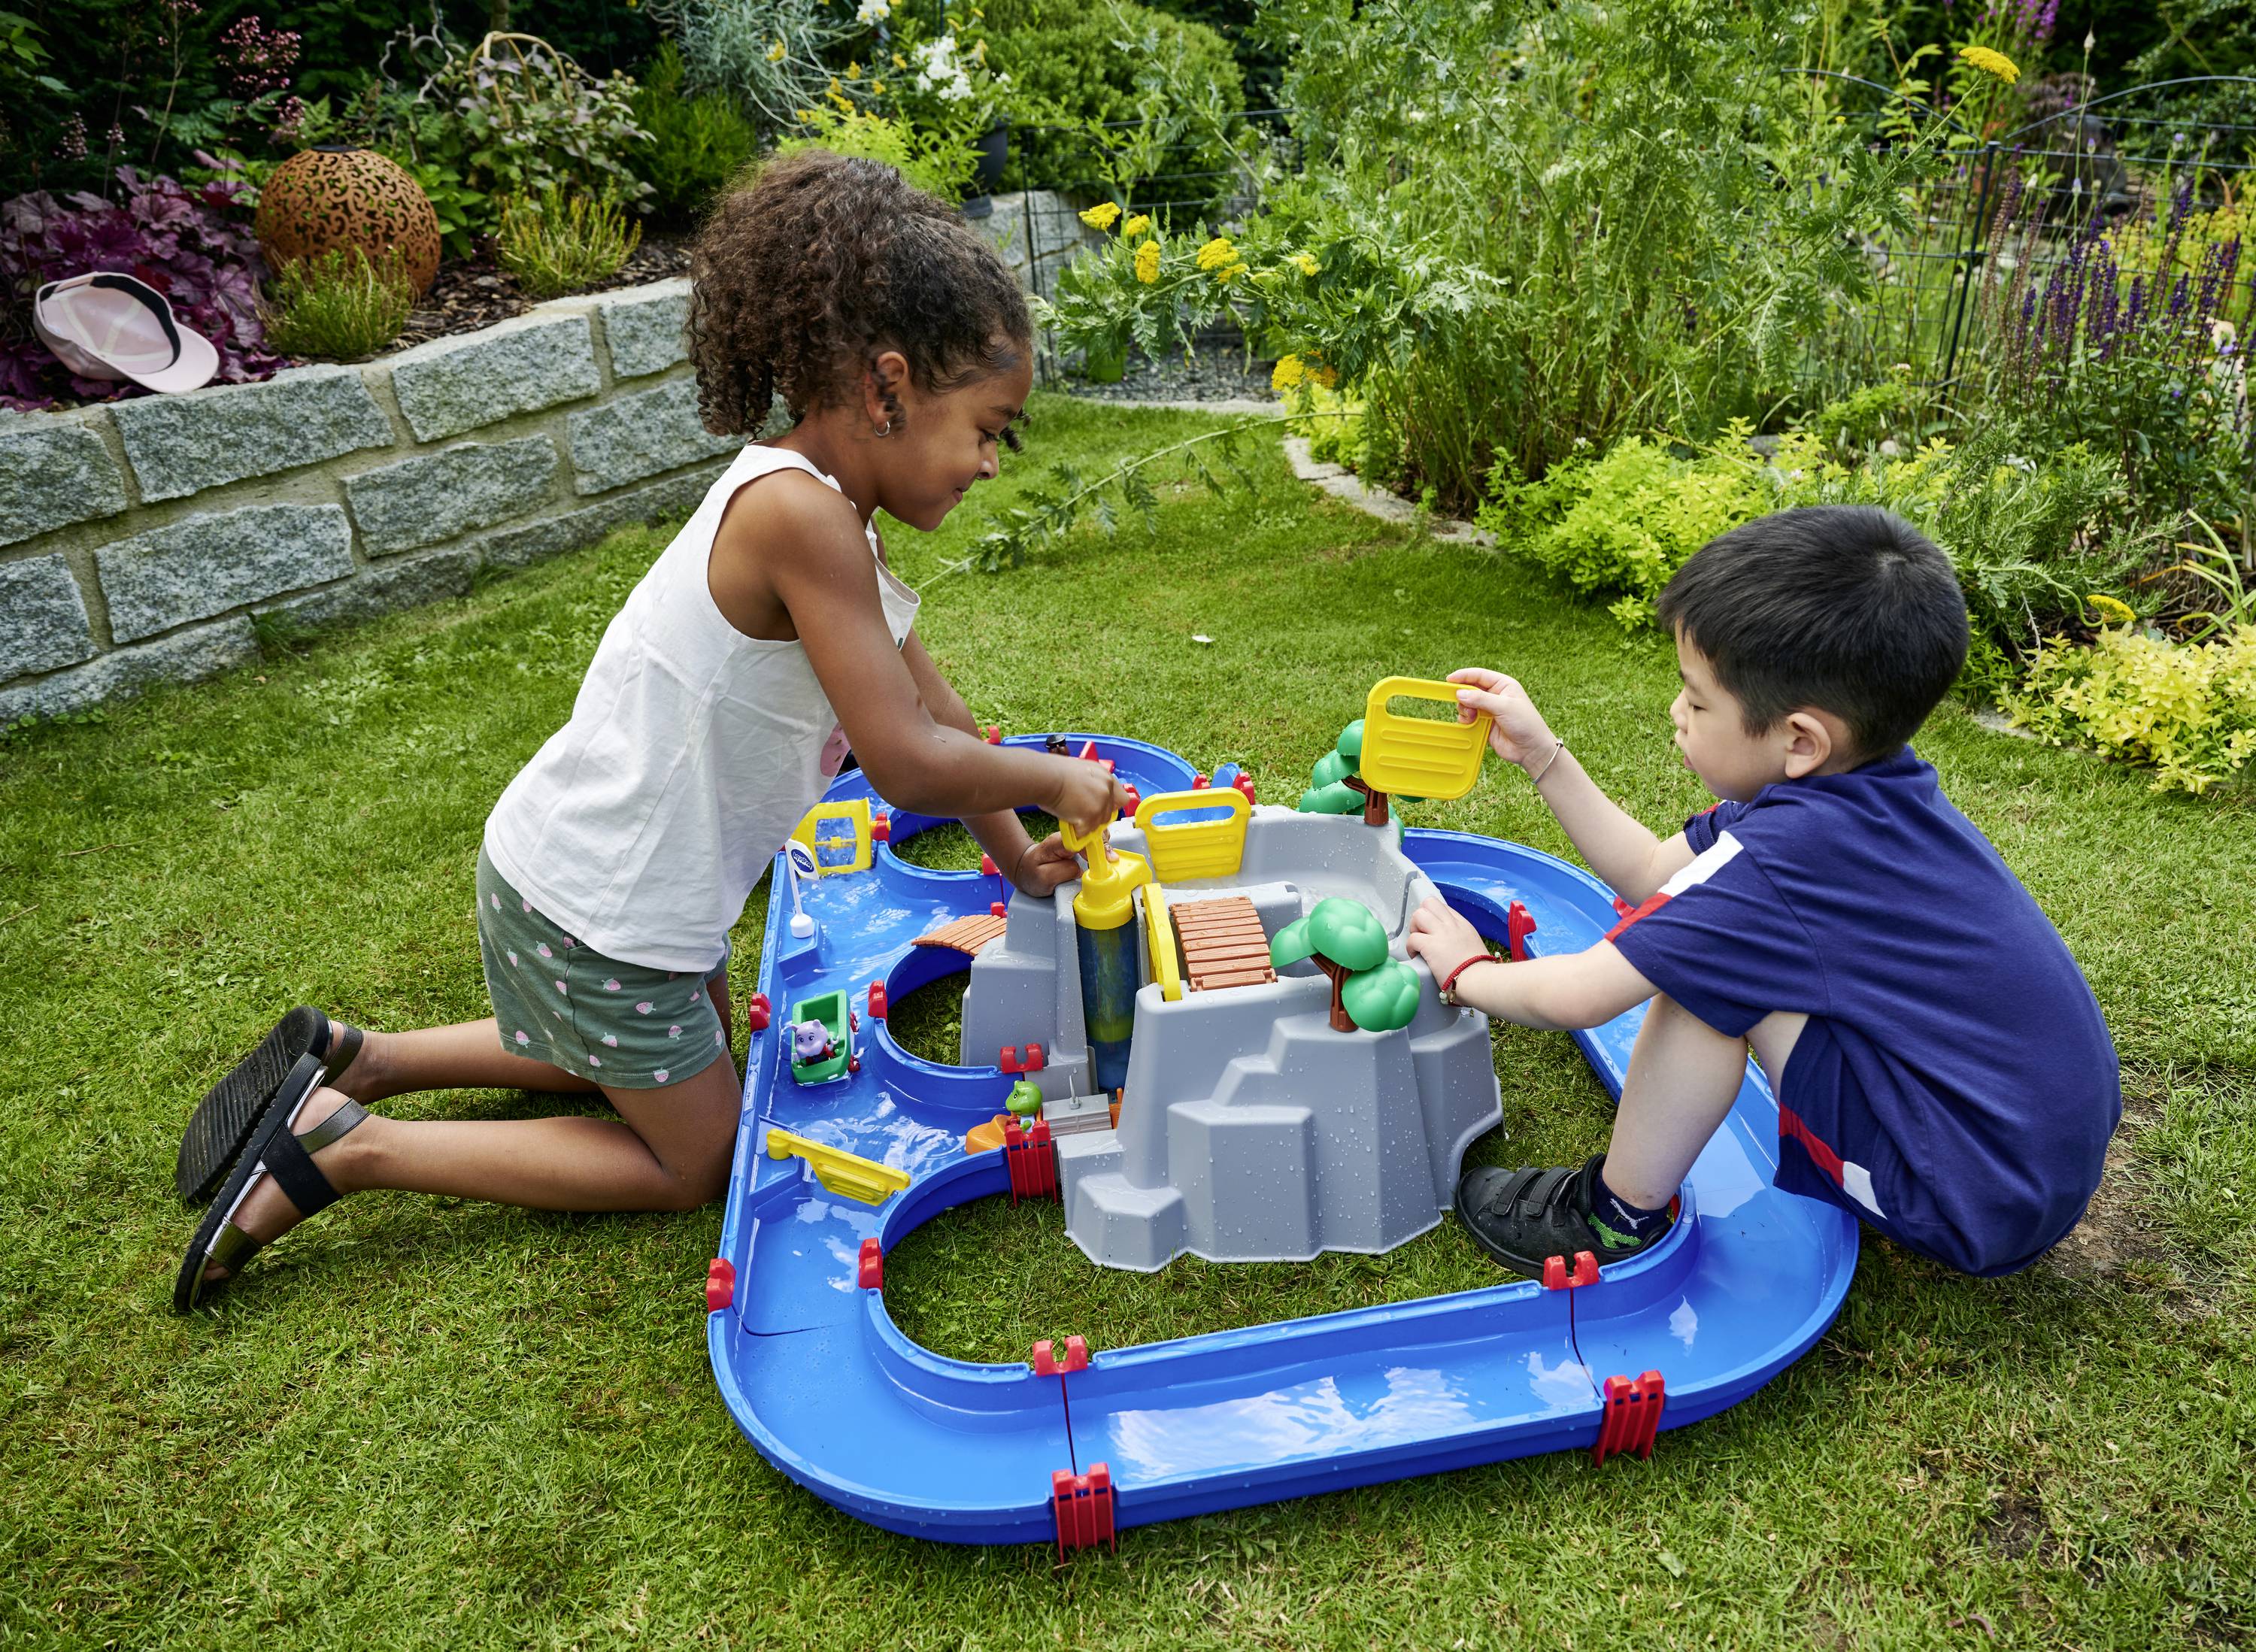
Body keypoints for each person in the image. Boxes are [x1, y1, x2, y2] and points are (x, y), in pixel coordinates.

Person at [171, 150, 1124, 1312]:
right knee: (694, 1155)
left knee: (647, 1056)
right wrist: (1056, 784)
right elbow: (905, 757)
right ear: (887, 388)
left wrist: (1020, 857)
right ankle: (347, 1145)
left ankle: (364, 1052)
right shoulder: (803, 523)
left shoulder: (824, 515)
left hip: (586, 892)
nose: (987, 461)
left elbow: (944, 718)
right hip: (598, 916)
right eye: (989, 428)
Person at [1405, 506, 2120, 1279]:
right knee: (1717, 952)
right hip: (2019, 1155)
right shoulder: (1860, 787)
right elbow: (1654, 872)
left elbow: (1581, 995)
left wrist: (1465, 972)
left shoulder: (1783, 863)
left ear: (1802, 740)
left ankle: (1614, 1218)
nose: (1676, 713)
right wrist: (1543, 756)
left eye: (1698, 699)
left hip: (1963, 1197)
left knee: (1707, 980)